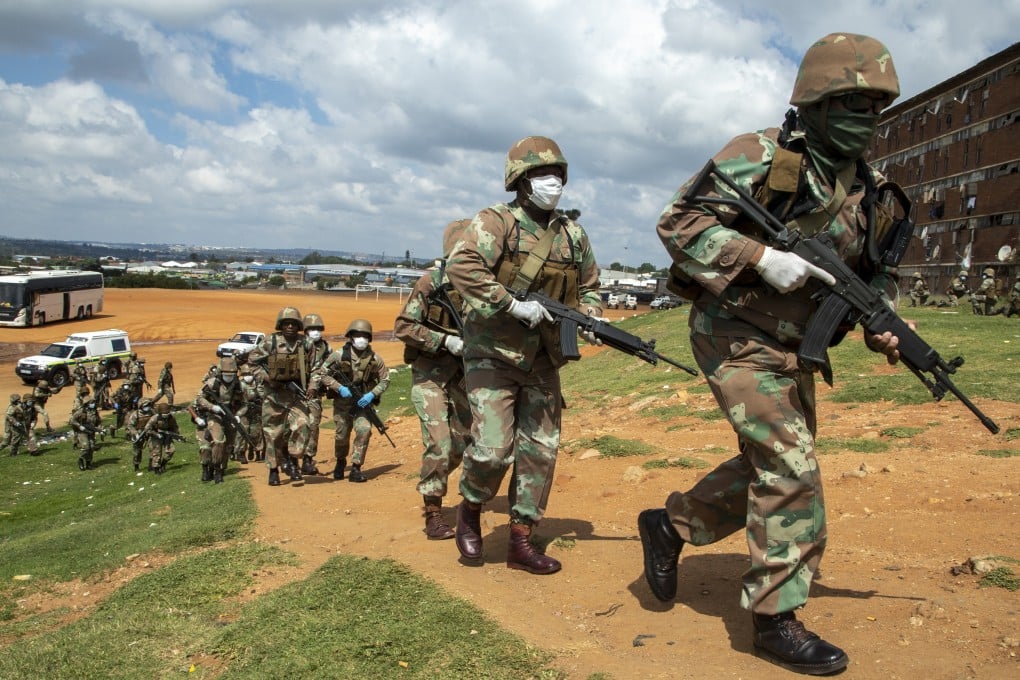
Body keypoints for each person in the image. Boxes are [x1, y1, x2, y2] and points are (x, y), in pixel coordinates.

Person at [639, 33, 909, 675]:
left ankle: (671, 524)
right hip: (733, 331)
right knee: (791, 469)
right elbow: (679, 223)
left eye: (875, 108)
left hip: (796, 346)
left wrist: (882, 323)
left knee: (774, 463)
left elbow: (873, 277)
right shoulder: (763, 154)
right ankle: (773, 620)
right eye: (850, 104)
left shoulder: (875, 190)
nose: (865, 121)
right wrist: (762, 257)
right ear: (813, 104)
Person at [445, 135, 603, 575]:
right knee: (493, 450)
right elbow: (461, 266)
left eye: (556, 174)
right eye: (540, 174)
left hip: (542, 360)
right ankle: (471, 507)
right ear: (520, 180)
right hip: (492, 355)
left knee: (540, 452)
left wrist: (587, 317)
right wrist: (510, 303)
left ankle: (521, 539)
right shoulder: (497, 222)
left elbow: (590, 286)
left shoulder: (573, 235)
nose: (551, 182)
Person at [394, 219, 474, 539]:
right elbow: (403, 326)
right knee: (439, 442)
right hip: (431, 375)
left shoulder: (488, 288)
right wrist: (444, 341)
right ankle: (433, 511)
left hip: (465, 378)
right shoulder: (431, 283)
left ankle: (438, 483)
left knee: (464, 442)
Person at [314, 319, 390, 483]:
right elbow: (322, 373)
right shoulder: (338, 355)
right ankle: (341, 461)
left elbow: (385, 380)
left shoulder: (375, 359)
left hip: (363, 403)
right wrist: (338, 387)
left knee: (364, 430)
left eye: (364, 335)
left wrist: (371, 394)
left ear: (369, 338)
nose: (361, 338)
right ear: (350, 337)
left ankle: (356, 467)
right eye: (357, 335)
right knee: (341, 435)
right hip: (343, 403)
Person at [246, 307, 311, 486]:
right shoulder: (270, 342)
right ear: (280, 325)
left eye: (293, 323)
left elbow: (316, 367)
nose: (290, 326)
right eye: (286, 323)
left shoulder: (305, 343)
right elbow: (252, 362)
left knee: (303, 424)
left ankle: (292, 460)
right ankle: (273, 470)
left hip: (296, 396)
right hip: (273, 397)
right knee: (273, 435)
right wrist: (268, 378)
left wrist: (313, 385)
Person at [194, 356, 244, 483]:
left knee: (228, 446)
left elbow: (245, 404)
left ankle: (221, 467)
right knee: (219, 441)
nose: (229, 376)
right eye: (226, 374)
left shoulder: (238, 385)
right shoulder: (212, 383)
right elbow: (199, 398)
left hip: (230, 417)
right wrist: (212, 407)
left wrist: (239, 414)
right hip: (214, 416)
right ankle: (215, 469)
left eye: (232, 374)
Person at [296, 313, 331, 475]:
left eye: (318, 329)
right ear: (305, 330)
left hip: (315, 394)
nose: (315, 332)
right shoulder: (297, 345)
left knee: (314, 425)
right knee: (295, 426)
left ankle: (308, 459)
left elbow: (329, 367)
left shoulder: (326, 347)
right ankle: (292, 458)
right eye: (312, 329)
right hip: (295, 393)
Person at [141, 402, 180, 474]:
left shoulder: (171, 417)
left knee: (171, 450)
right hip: (155, 436)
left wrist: (176, 435)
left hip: (167, 436)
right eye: (164, 415)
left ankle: (163, 464)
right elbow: (147, 429)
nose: (166, 416)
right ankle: (156, 469)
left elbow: (175, 427)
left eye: (167, 414)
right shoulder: (154, 418)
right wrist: (156, 434)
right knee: (157, 452)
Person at [70, 397, 103, 470]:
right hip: (82, 432)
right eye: (91, 403)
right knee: (86, 447)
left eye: (93, 403)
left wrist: (100, 429)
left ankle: (88, 463)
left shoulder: (94, 411)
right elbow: (72, 420)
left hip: (91, 431)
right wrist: (79, 426)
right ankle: (81, 459)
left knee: (91, 447)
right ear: (87, 404)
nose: (93, 404)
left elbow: (98, 421)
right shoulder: (81, 411)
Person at [126, 398, 155, 471]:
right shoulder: (135, 415)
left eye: (148, 405)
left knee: (153, 448)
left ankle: (151, 465)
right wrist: (135, 434)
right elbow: (130, 426)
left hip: (149, 433)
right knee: (137, 451)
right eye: (146, 405)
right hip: (139, 434)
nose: (147, 407)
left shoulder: (151, 412)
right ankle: (136, 466)